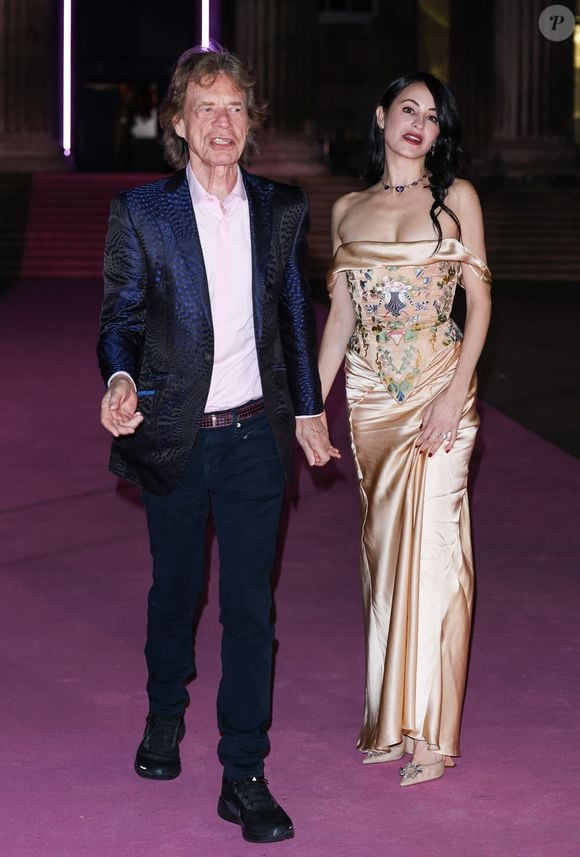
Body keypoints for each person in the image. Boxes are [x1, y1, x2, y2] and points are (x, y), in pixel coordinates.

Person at [97, 46, 338, 844]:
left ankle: (245, 770)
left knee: (248, 606)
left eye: (235, 106)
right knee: (175, 591)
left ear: (249, 120)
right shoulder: (143, 211)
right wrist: (120, 379)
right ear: (179, 122)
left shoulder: (281, 207)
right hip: (174, 437)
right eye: (207, 107)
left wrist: (307, 410)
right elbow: (120, 319)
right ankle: (166, 710)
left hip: (252, 439)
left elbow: (295, 320)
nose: (223, 121)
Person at [318, 72, 491, 787]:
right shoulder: (346, 209)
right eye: (409, 110)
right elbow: (341, 319)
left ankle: (433, 732)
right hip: (370, 403)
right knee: (384, 559)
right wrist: (309, 405)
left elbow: (479, 306)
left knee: (438, 553)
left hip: (440, 391)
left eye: (433, 117)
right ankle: (390, 719)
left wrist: (454, 395)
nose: (420, 124)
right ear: (382, 115)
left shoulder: (457, 201)